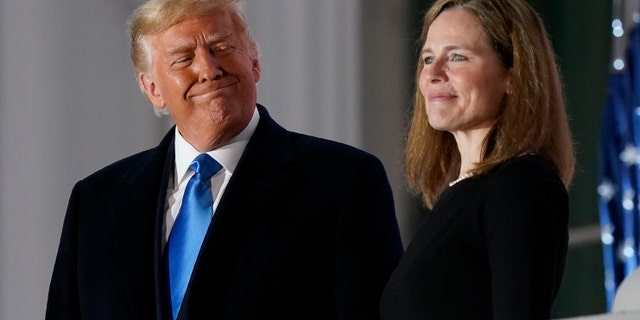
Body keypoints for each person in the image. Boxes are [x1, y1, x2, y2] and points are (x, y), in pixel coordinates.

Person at [45, 0, 403, 319]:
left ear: (255, 61)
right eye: (184, 58)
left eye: (222, 47)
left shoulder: (342, 182)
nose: (208, 69)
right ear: (153, 89)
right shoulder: (95, 202)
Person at [380, 0, 574, 319]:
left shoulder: (520, 185)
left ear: (513, 74)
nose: (432, 74)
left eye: (457, 57)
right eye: (428, 58)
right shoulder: (459, 196)